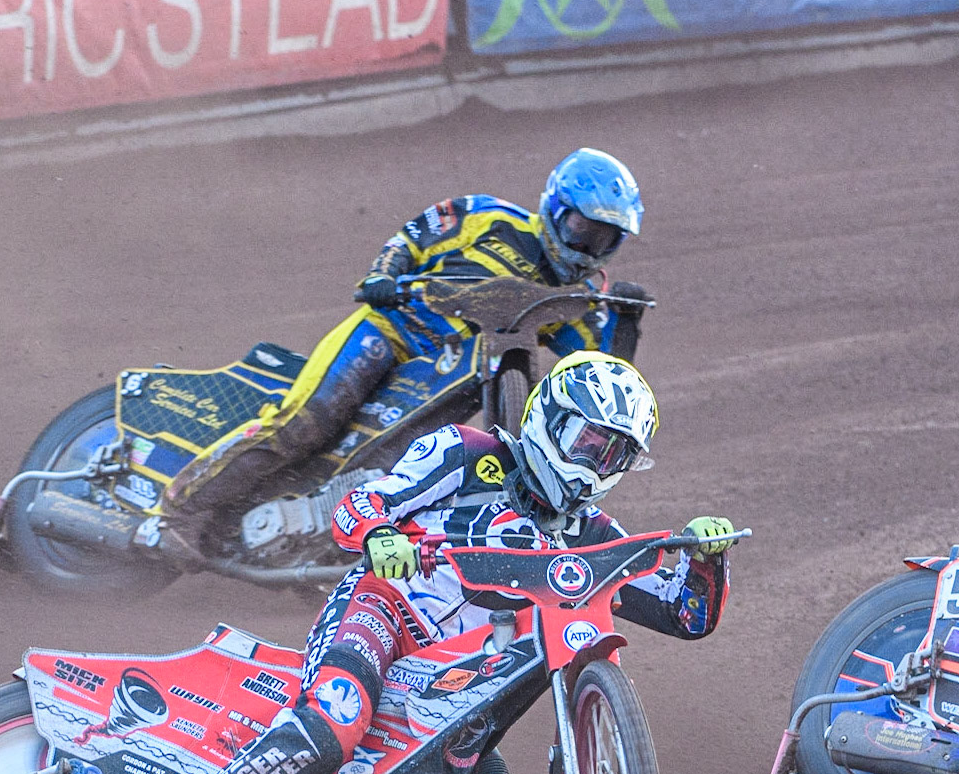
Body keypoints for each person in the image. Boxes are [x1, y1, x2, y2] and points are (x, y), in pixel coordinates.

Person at [121, 353, 736, 774]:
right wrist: (381, 534)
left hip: (456, 684)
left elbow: (686, 614)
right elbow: (362, 503)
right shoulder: (465, 453)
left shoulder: (594, 535)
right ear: (551, 418)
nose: (596, 464)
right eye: (590, 443)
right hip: (385, 613)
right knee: (337, 714)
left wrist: (707, 559)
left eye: (616, 454)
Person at [163, 147, 650, 512]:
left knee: (408, 465)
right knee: (308, 421)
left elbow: (591, 382)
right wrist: (383, 276)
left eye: (604, 238)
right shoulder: (489, 217)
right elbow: (414, 236)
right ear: (555, 208)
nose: (588, 247)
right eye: (582, 230)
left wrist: (625, 324)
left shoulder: (579, 305)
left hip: (455, 374)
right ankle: (177, 512)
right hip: (391, 330)